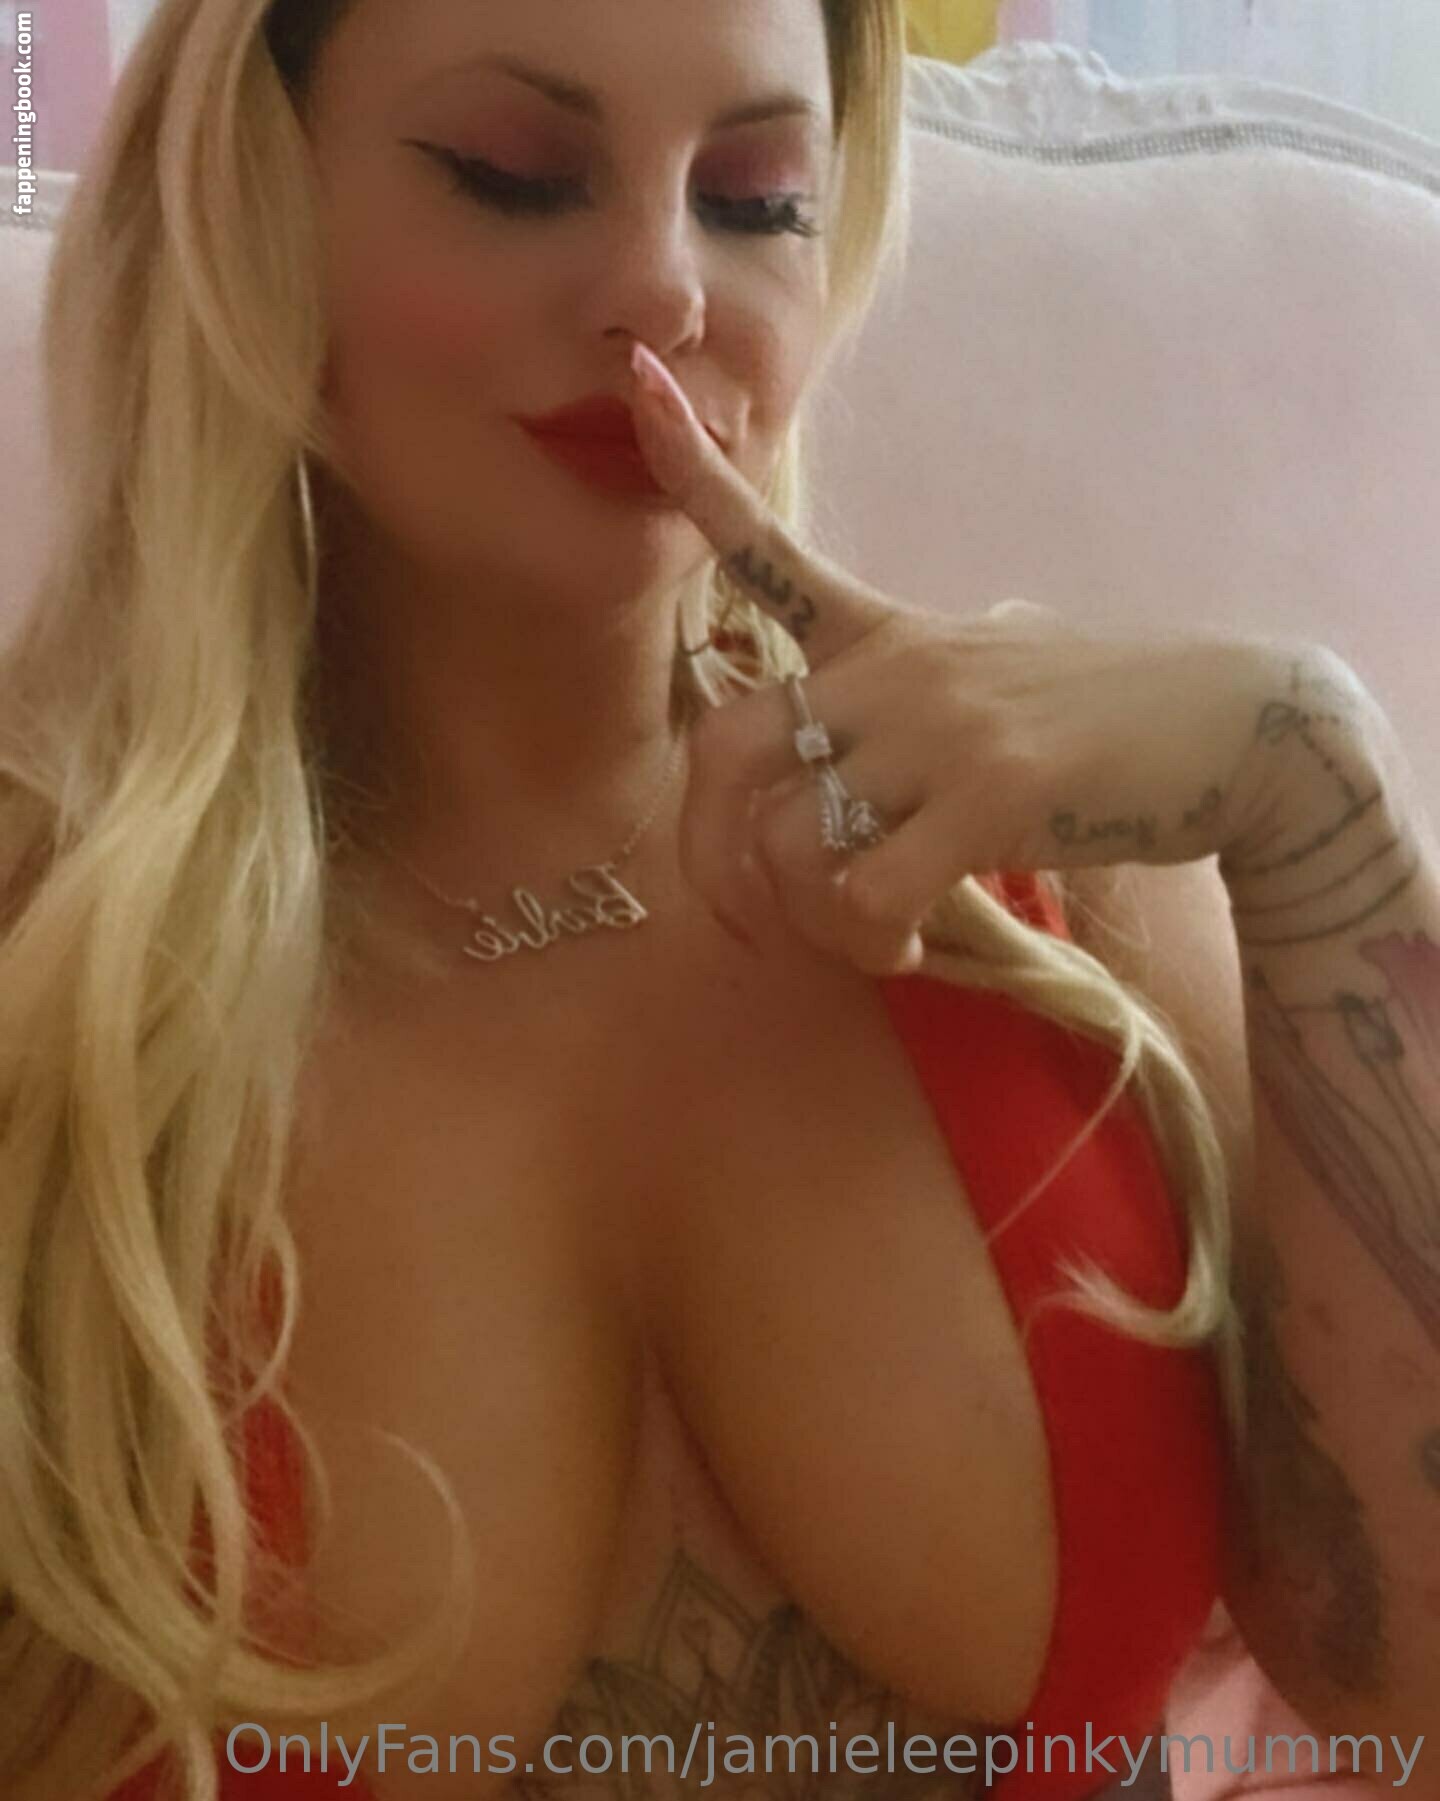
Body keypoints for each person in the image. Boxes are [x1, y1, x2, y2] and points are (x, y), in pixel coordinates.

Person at [3, 0, 1437, 1798]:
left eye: (755, 198)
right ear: (250, 206)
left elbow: (1411, 1692)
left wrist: (1318, 794)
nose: (665, 288)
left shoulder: (1054, 887)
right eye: (516, 175)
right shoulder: (47, 987)